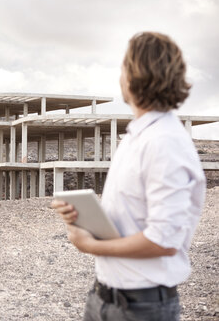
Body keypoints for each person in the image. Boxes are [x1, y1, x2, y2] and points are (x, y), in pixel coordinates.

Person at [51, 32, 206, 321]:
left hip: (141, 308)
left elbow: (164, 240)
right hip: (104, 298)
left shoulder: (164, 143)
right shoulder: (138, 137)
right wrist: (82, 217)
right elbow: (130, 219)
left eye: (124, 67)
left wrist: (91, 245)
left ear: (135, 74)